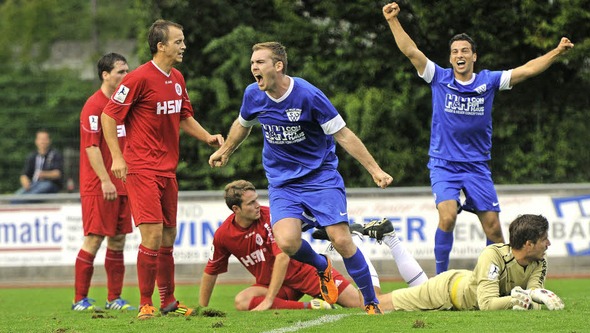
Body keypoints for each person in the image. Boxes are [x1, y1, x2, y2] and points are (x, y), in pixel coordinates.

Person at [382, 2, 574, 274]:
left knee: (494, 229)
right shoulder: (439, 78)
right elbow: (411, 51)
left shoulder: (489, 81)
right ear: (450, 58)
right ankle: (440, 278)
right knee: (447, 216)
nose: (459, 55)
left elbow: (528, 70)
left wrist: (556, 51)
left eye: (465, 51)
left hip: (476, 166)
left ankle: (490, 279)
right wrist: (392, 21)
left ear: (474, 56)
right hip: (444, 164)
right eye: (454, 52)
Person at [209, 42, 393, 314]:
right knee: (287, 242)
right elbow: (242, 124)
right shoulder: (253, 94)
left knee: (341, 240)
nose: (253, 68)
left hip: (320, 177)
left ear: (278, 66)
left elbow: (342, 134)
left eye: (260, 62)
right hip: (282, 183)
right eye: (252, 63)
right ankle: (322, 267)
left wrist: (375, 169)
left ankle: (370, 302)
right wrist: (226, 150)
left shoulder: (308, 95)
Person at [101, 19, 224, 320]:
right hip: (141, 168)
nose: (184, 46)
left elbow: (183, 116)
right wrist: (118, 158)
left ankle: (168, 301)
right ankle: (146, 302)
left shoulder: (178, 78)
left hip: (167, 170)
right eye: (179, 41)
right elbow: (108, 116)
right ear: (161, 46)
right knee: (153, 236)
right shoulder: (138, 78)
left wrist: (207, 136)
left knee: (169, 236)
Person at [199, 180, 364, 311]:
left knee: (359, 303)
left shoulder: (271, 217)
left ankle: (390, 297)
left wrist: (269, 300)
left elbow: (282, 257)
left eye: (256, 199)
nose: (257, 205)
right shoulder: (224, 235)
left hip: (305, 272)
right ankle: (312, 306)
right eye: (250, 203)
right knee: (242, 301)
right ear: (236, 209)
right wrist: (202, 309)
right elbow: (211, 270)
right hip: (277, 285)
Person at [377, 214, 565, 312]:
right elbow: (487, 304)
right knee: (377, 305)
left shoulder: (539, 260)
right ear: (528, 244)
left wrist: (537, 297)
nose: (548, 244)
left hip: (464, 288)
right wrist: (519, 300)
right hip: (445, 291)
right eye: (544, 240)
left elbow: (533, 295)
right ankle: (365, 243)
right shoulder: (492, 255)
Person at [72, 53, 134, 312]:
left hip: (123, 184)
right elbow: (91, 148)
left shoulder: (124, 104)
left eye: (127, 71)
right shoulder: (94, 106)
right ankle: (79, 300)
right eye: (120, 71)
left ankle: (114, 299)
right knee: (94, 239)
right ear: (105, 75)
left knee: (118, 240)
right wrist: (105, 180)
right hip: (99, 185)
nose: (125, 76)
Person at [16, 129, 63, 196]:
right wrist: (25, 181)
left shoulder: (55, 154)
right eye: (40, 139)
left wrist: (43, 174)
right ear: (36, 141)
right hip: (34, 184)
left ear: (49, 141)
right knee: (17, 195)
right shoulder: (32, 156)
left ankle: (25, 199)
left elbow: (57, 173)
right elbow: (24, 174)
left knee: (40, 189)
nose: (42, 142)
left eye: (45, 139)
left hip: (50, 184)